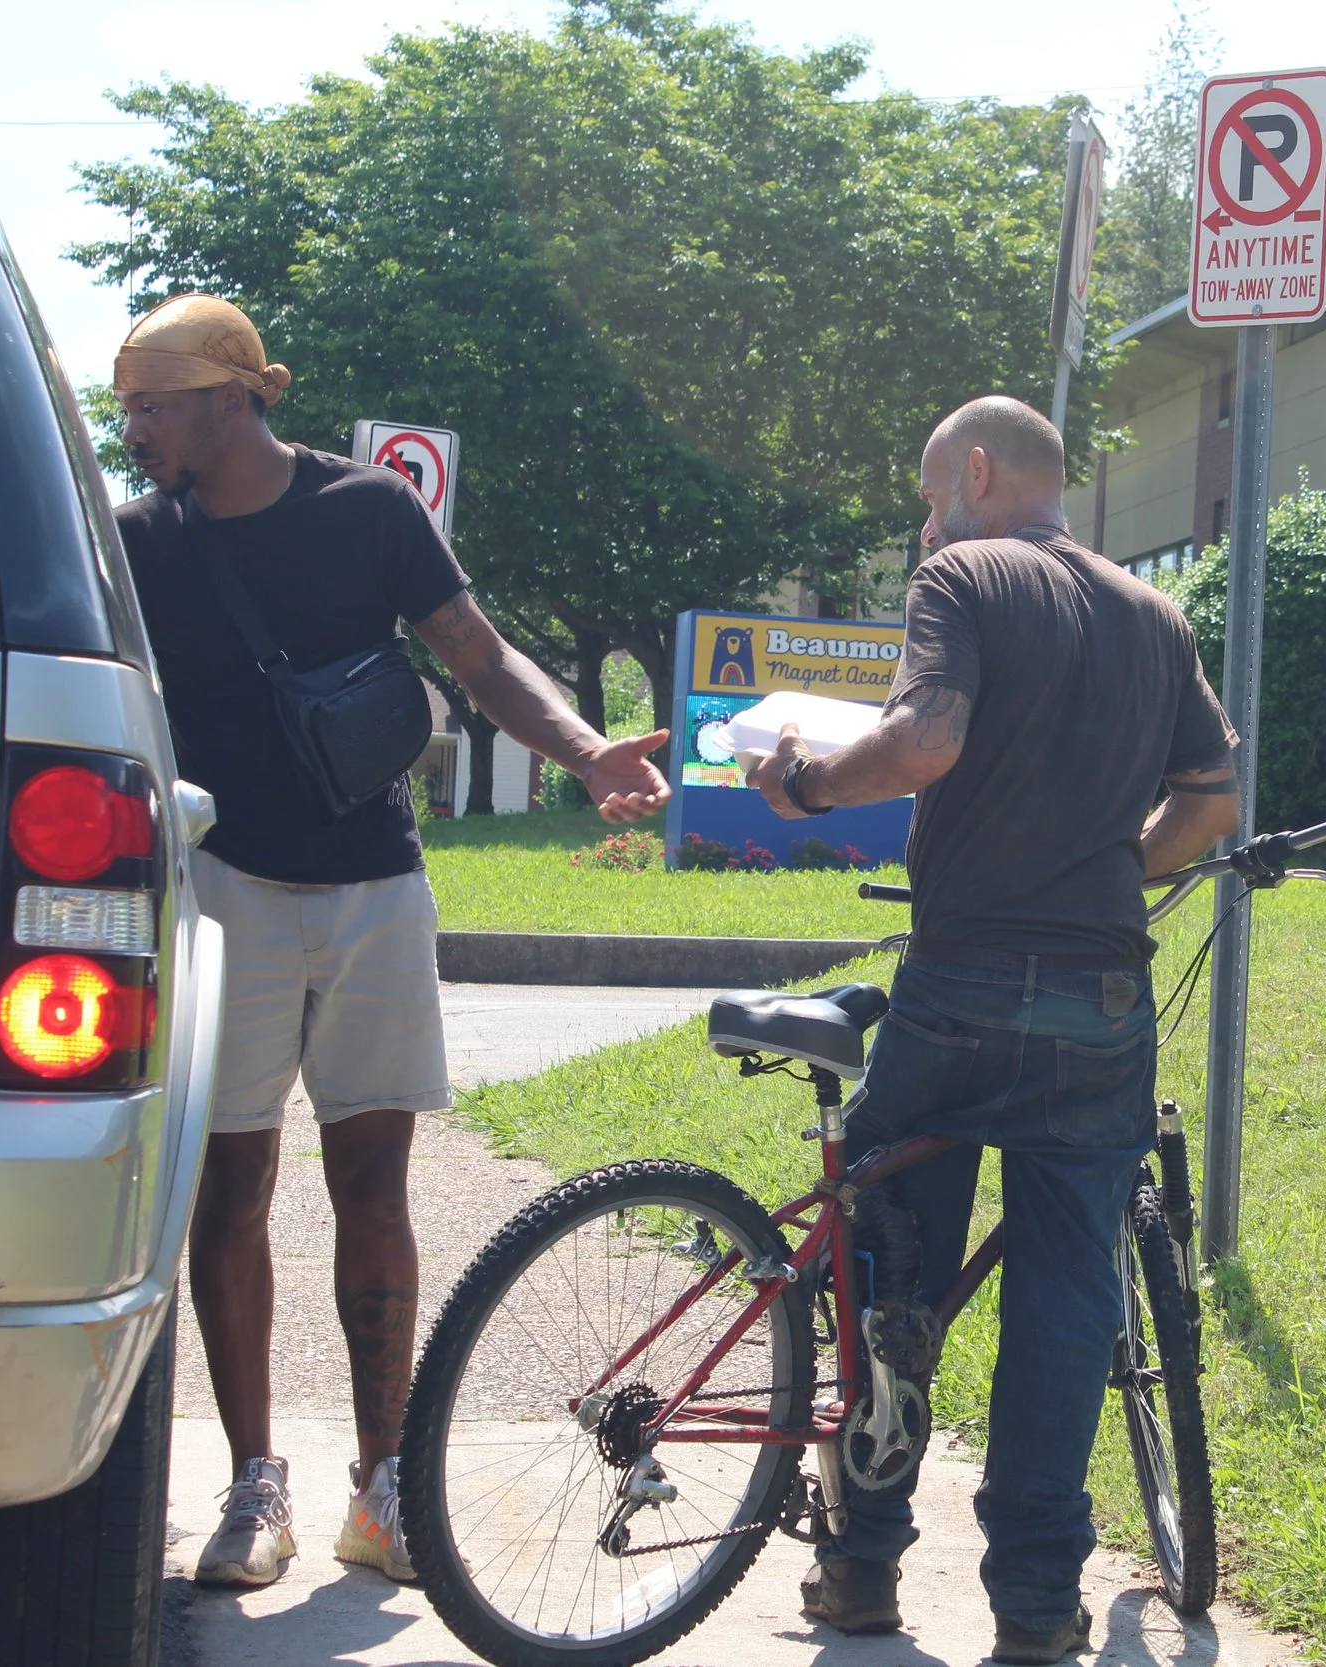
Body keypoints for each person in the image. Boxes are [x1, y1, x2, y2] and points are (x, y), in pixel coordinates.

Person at [111, 294, 671, 1589]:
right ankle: (256, 1480)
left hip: (374, 883)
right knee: (231, 1190)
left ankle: (388, 1483)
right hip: (221, 889)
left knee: (375, 1187)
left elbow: (474, 653)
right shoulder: (134, 543)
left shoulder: (366, 507)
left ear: (232, 395)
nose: (132, 426)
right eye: (128, 404)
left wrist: (585, 749)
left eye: (151, 401)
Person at [744, 395, 1242, 1663]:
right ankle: (1033, 1605)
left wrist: (803, 782)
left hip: (961, 981)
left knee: (889, 1261)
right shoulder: (1154, 613)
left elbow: (925, 739)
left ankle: (860, 1565)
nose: (923, 524)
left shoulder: (962, 575)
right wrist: (1106, 876)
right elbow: (1211, 802)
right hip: (1102, 1002)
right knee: (1070, 1303)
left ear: (974, 473)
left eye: (925, 496)